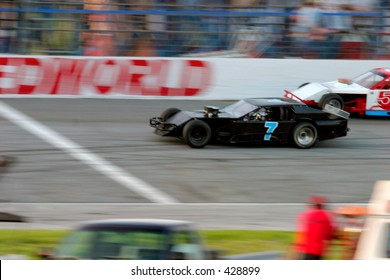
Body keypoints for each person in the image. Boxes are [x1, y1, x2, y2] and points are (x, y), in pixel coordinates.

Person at [294, 195, 337, 260]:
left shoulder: (303, 215)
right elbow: (328, 234)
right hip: (316, 251)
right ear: (322, 205)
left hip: (301, 250)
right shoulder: (326, 216)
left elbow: (302, 232)